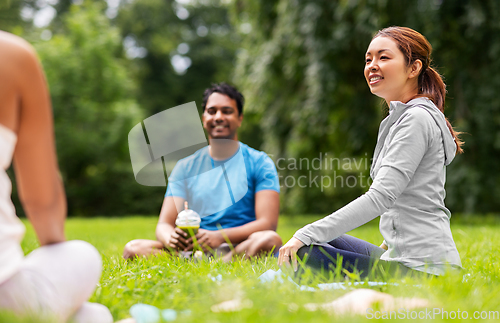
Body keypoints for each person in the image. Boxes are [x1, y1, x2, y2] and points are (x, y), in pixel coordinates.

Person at [278, 26, 463, 278]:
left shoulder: (416, 118)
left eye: (383, 57)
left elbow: (381, 197)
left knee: (306, 250)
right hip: (404, 258)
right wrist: (381, 252)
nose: (372, 65)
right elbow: (405, 202)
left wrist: (305, 233)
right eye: (368, 59)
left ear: (414, 68)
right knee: (329, 240)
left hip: (424, 270)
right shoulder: (400, 118)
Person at [0, 31, 113, 322]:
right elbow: (42, 201)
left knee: (90, 314)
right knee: (81, 257)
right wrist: (57, 254)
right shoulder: (11, 55)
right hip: (6, 298)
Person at [124, 83, 282, 261]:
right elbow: (164, 224)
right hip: (193, 249)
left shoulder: (260, 163)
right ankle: (208, 264)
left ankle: (221, 263)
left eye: (227, 111)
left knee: (269, 240)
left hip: (238, 246)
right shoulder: (185, 167)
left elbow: (267, 224)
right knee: (133, 249)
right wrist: (172, 239)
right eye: (212, 111)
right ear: (203, 118)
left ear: (240, 118)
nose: (219, 117)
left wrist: (219, 236)